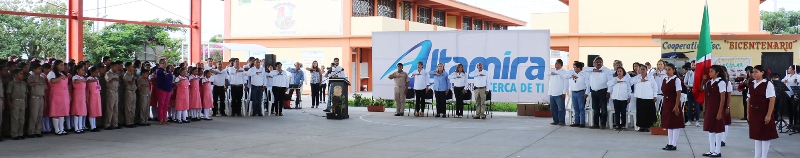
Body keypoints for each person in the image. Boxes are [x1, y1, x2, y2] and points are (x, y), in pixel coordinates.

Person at [747, 65, 779, 158]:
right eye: (753, 72)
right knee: (756, 135)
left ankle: (764, 156)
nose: (754, 74)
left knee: (764, 136)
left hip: (763, 112)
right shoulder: (752, 84)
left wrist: (769, 114)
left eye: (756, 72)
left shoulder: (767, 84)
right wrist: (748, 113)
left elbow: (772, 99)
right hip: (754, 112)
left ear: (762, 72)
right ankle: (757, 156)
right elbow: (749, 99)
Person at [702, 65, 726, 157]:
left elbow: (722, 98)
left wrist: (720, 111)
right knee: (710, 129)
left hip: (717, 108)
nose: (710, 73)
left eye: (712, 71)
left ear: (717, 73)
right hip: (710, 107)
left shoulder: (721, 83)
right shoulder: (709, 82)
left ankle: (718, 151)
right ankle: (712, 150)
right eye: (709, 71)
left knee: (717, 129)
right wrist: (703, 80)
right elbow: (701, 89)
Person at [660, 63, 684, 150]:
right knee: (669, 124)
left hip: (673, 102)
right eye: (666, 69)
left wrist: (677, 105)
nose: (667, 71)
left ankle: (674, 144)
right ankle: (669, 143)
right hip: (666, 102)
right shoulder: (665, 79)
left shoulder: (676, 80)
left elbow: (678, 93)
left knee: (675, 123)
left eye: (669, 69)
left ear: (674, 70)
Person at [585, 57, 613, 129]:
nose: (598, 63)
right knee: (595, 108)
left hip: (603, 91)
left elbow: (610, 81)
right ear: (594, 63)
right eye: (597, 62)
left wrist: (609, 91)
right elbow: (583, 69)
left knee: (603, 109)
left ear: (602, 63)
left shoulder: (606, 70)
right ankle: (596, 124)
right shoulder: (591, 70)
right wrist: (594, 69)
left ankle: (603, 124)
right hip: (594, 91)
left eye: (600, 62)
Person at [632, 65, 657, 132]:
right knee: (640, 113)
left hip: (648, 97)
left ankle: (648, 126)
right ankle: (641, 126)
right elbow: (631, 81)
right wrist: (640, 80)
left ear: (646, 70)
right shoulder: (637, 77)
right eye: (641, 69)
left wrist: (655, 96)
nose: (642, 71)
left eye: (644, 69)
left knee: (648, 113)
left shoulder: (650, 77)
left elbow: (655, 87)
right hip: (640, 97)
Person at [48, 60, 70, 135]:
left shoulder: (62, 73)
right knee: (56, 112)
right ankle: (57, 130)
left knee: (62, 112)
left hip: (64, 95)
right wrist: (60, 77)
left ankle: (62, 128)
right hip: (56, 95)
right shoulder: (52, 73)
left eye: (63, 65)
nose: (63, 67)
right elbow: (52, 81)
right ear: (56, 66)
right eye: (61, 65)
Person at [7, 69, 27, 139]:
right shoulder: (11, 83)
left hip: (22, 101)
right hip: (15, 101)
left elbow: (26, 93)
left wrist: (26, 102)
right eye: (20, 74)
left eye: (22, 74)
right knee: (15, 118)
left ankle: (20, 133)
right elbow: (8, 93)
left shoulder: (24, 83)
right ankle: (14, 134)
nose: (22, 75)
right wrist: (9, 102)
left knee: (22, 118)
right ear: (15, 75)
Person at [27, 63, 46, 137]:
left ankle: (38, 131)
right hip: (34, 98)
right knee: (33, 115)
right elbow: (30, 84)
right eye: (38, 68)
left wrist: (45, 100)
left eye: (41, 68)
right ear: (34, 70)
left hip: (41, 98)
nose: (40, 70)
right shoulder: (31, 77)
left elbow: (45, 89)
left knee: (40, 115)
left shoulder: (42, 78)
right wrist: (37, 83)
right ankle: (31, 131)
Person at [569, 62, 590, 128]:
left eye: (575, 67)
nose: (574, 68)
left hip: (581, 92)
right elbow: (565, 75)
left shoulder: (584, 74)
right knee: (575, 108)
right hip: (573, 92)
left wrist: (586, 93)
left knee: (581, 108)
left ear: (579, 68)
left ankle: (582, 123)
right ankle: (576, 122)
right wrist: (571, 76)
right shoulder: (572, 73)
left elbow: (588, 85)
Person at [548, 59, 569, 125]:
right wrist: (551, 73)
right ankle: (555, 120)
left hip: (559, 93)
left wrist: (564, 92)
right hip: (552, 92)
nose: (556, 65)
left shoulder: (564, 72)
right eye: (555, 63)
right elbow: (546, 73)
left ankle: (562, 121)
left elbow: (566, 83)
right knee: (553, 108)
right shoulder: (552, 70)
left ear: (561, 65)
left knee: (561, 108)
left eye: (557, 63)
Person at [154, 59, 173, 125]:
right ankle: (161, 119)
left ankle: (165, 118)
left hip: (168, 89)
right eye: (163, 63)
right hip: (162, 89)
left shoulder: (168, 70)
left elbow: (170, 79)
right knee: (161, 104)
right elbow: (161, 74)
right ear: (160, 64)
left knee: (166, 105)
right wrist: (165, 73)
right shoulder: (159, 70)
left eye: (165, 63)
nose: (165, 64)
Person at [70, 66, 88, 133]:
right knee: (77, 111)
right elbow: (76, 81)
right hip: (77, 95)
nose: (83, 71)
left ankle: (80, 127)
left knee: (81, 111)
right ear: (77, 70)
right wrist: (83, 80)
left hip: (82, 95)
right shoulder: (75, 77)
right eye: (82, 70)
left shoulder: (83, 77)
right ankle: (76, 127)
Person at [684, 61, 701, 126]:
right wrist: (687, 86)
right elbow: (685, 82)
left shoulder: (699, 73)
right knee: (690, 105)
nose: (693, 66)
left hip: (696, 90)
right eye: (692, 65)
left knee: (697, 106)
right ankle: (689, 120)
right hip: (690, 89)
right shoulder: (688, 73)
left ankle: (697, 120)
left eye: (694, 65)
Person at [720, 66, 733, 147]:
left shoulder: (727, 83)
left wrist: (727, 106)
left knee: (725, 122)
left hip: (724, 104)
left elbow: (729, 95)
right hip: (717, 104)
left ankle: (723, 139)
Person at [121, 62, 137, 128]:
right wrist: (134, 78)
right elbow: (131, 82)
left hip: (133, 91)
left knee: (133, 108)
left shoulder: (131, 74)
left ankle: (132, 121)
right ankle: (128, 122)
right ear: (127, 67)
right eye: (131, 66)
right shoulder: (126, 75)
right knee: (128, 108)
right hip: (129, 92)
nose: (132, 68)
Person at [86, 67, 102, 132]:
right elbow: (88, 82)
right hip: (92, 95)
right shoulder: (89, 78)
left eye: (97, 72)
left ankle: (94, 125)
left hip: (97, 95)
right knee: (92, 110)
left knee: (95, 110)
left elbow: (98, 87)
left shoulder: (96, 79)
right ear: (91, 72)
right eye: (95, 72)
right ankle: (92, 126)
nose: (96, 73)